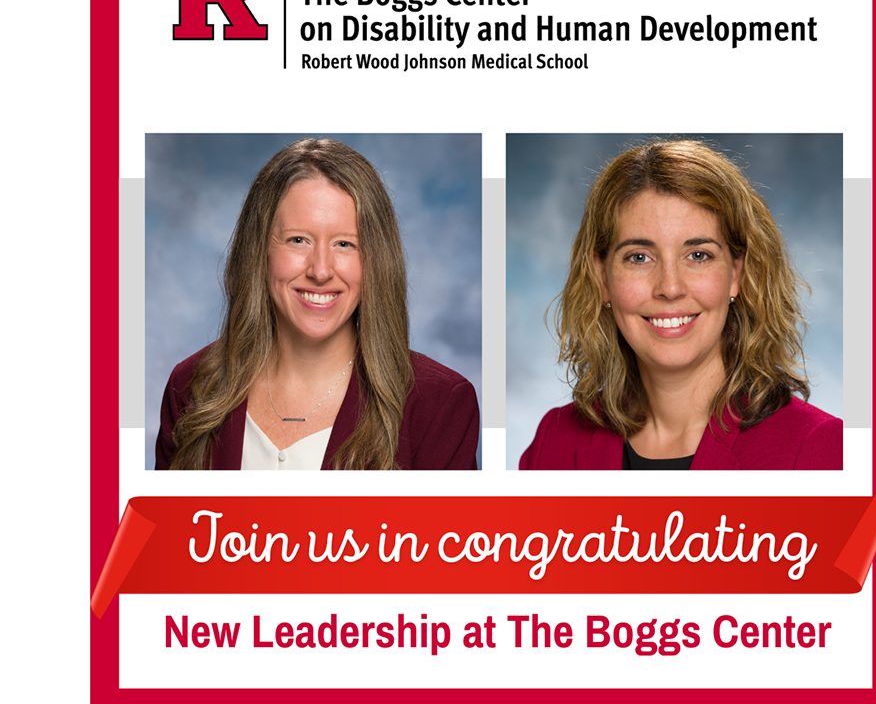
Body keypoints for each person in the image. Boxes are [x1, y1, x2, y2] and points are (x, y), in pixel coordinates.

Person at [156, 138, 479, 470]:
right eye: (298, 240)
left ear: (375, 260)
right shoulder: (191, 387)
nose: (321, 270)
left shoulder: (439, 405)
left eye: (344, 244)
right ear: (259, 250)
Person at [520, 140, 840, 470]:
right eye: (639, 257)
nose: (670, 288)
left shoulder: (821, 448)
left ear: (736, 274)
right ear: (602, 278)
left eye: (698, 256)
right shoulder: (553, 442)